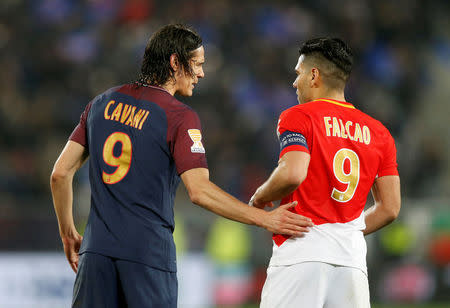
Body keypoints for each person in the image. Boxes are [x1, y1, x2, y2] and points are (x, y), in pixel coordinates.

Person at [50, 24, 313, 308]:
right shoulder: (177, 117)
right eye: (198, 64)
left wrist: (68, 233)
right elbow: (199, 191)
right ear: (175, 62)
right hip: (147, 257)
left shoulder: (101, 103)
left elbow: (60, 174)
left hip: (95, 255)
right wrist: (264, 218)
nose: (201, 73)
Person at [249, 37, 401, 308]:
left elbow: (292, 173)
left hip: (301, 253)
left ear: (314, 75)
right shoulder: (380, 133)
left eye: (298, 74)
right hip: (352, 263)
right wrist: (346, 232)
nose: (295, 82)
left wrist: (260, 196)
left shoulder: (299, 116)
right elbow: (390, 209)